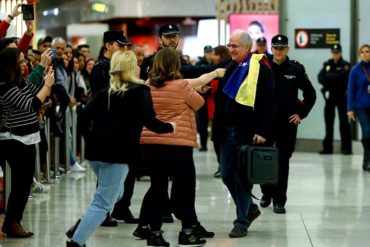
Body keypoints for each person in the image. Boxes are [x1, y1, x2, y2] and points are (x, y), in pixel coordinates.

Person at [65, 50, 174, 247]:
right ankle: (76, 242)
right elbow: (151, 122)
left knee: (116, 194)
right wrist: (170, 127)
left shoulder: (104, 92)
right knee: (103, 203)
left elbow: (82, 117)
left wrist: (91, 139)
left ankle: (83, 224)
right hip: (118, 155)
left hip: (96, 154)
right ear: (131, 68)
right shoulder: (140, 92)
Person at [136, 47, 224, 247]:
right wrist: (193, 91)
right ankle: (186, 232)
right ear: (176, 64)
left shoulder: (148, 85)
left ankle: (155, 234)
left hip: (152, 143)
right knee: (185, 187)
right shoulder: (182, 85)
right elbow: (199, 103)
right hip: (178, 144)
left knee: (158, 188)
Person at [212, 29, 275, 238]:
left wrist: (263, 131)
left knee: (242, 178)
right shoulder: (229, 66)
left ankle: (241, 222)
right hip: (225, 130)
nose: (230, 49)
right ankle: (250, 209)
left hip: (246, 131)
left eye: (234, 46)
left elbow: (268, 103)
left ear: (247, 47)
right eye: (229, 45)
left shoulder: (261, 68)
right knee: (227, 175)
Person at [0, 48, 55, 238]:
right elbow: (31, 103)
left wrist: (43, 71)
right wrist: (46, 87)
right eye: (22, 62)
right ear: (11, 65)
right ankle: (12, 222)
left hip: (26, 138)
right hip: (14, 140)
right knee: (21, 183)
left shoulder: (18, 82)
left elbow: (32, 89)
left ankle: (13, 221)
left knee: (24, 183)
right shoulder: (5, 87)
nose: (25, 64)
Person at [260, 35, 316, 214]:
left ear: (287, 49)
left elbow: (311, 94)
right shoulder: (262, 66)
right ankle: (266, 192)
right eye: (275, 48)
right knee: (264, 158)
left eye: (282, 48)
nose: (278, 51)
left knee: (283, 161)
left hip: (287, 124)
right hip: (266, 123)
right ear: (271, 48)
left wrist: (301, 113)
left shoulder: (296, 69)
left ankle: (279, 200)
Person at [89, 30, 139, 226]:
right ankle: (104, 211)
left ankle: (122, 207)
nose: (124, 49)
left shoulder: (120, 67)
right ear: (108, 45)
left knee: (129, 170)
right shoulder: (100, 69)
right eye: (120, 45)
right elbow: (106, 95)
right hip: (107, 127)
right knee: (108, 171)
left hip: (125, 126)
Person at [318, 44, 352, 155]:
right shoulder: (327, 64)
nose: (335, 54)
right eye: (334, 52)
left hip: (342, 97)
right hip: (330, 97)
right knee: (328, 123)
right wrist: (336, 76)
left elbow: (345, 78)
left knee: (344, 123)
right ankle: (328, 148)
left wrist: (330, 76)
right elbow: (320, 78)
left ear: (341, 53)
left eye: (337, 52)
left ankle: (346, 148)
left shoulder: (346, 65)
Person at [347, 44, 370, 171]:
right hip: (361, 106)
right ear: (359, 54)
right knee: (367, 130)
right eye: (362, 52)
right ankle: (367, 159)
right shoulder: (355, 70)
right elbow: (351, 90)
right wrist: (350, 108)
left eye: (367, 51)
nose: (365, 54)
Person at [210, 45, 231, 178]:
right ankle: (221, 164)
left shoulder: (227, 69)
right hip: (213, 109)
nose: (213, 57)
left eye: (215, 54)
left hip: (223, 111)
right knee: (216, 140)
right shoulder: (213, 70)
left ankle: (225, 165)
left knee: (224, 141)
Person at [195, 45, 214, 151]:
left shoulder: (215, 63)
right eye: (207, 52)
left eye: (210, 52)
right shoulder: (199, 65)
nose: (209, 54)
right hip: (202, 96)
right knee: (202, 121)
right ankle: (203, 144)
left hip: (213, 96)